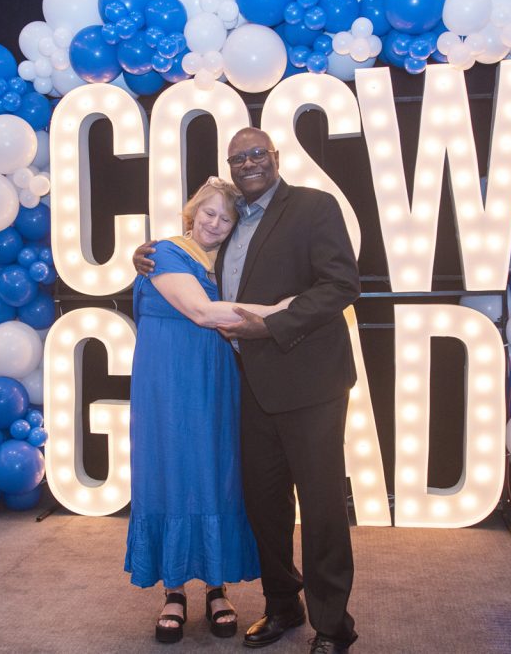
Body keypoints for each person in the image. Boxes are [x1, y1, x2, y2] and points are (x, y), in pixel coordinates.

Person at [136, 128, 360, 653]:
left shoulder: (313, 206)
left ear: (275, 157)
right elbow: (189, 263)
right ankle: (283, 605)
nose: (249, 163)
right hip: (247, 388)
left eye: (257, 153)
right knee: (264, 506)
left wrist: (273, 324)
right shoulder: (230, 224)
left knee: (322, 509)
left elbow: (341, 285)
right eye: (238, 158)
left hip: (309, 385)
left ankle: (334, 627)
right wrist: (145, 255)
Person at [125, 177, 292, 645]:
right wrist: (285, 310)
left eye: (226, 218)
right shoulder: (164, 253)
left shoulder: (231, 264)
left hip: (217, 378)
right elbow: (203, 312)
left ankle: (217, 588)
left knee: (217, 472)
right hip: (167, 382)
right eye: (208, 213)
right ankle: (174, 592)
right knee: (171, 471)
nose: (215, 223)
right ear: (192, 212)